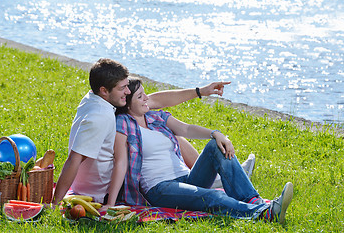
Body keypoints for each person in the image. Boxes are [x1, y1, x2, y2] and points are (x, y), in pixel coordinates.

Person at [52, 58, 230, 205]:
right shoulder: (100, 117)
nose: (127, 90)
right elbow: (74, 160)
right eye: (123, 88)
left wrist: (201, 91)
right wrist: (55, 203)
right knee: (165, 132)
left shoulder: (95, 98)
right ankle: (211, 179)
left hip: (100, 184)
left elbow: (156, 100)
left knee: (164, 129)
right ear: (104, 91)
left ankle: (206, 176)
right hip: (102, 193)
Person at [114, 78, 293, 224]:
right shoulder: (123, 123)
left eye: (145, 93)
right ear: (127, 105)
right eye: (140, 97)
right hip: (160, 188)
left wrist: (216, 134)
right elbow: (120, 162)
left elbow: (186, 129)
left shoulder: (155, 116)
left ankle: (254, 201)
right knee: (211, 196)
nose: (147, 98)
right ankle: (264, 213)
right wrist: (109, 202)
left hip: (186, 178)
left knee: (215, 145)